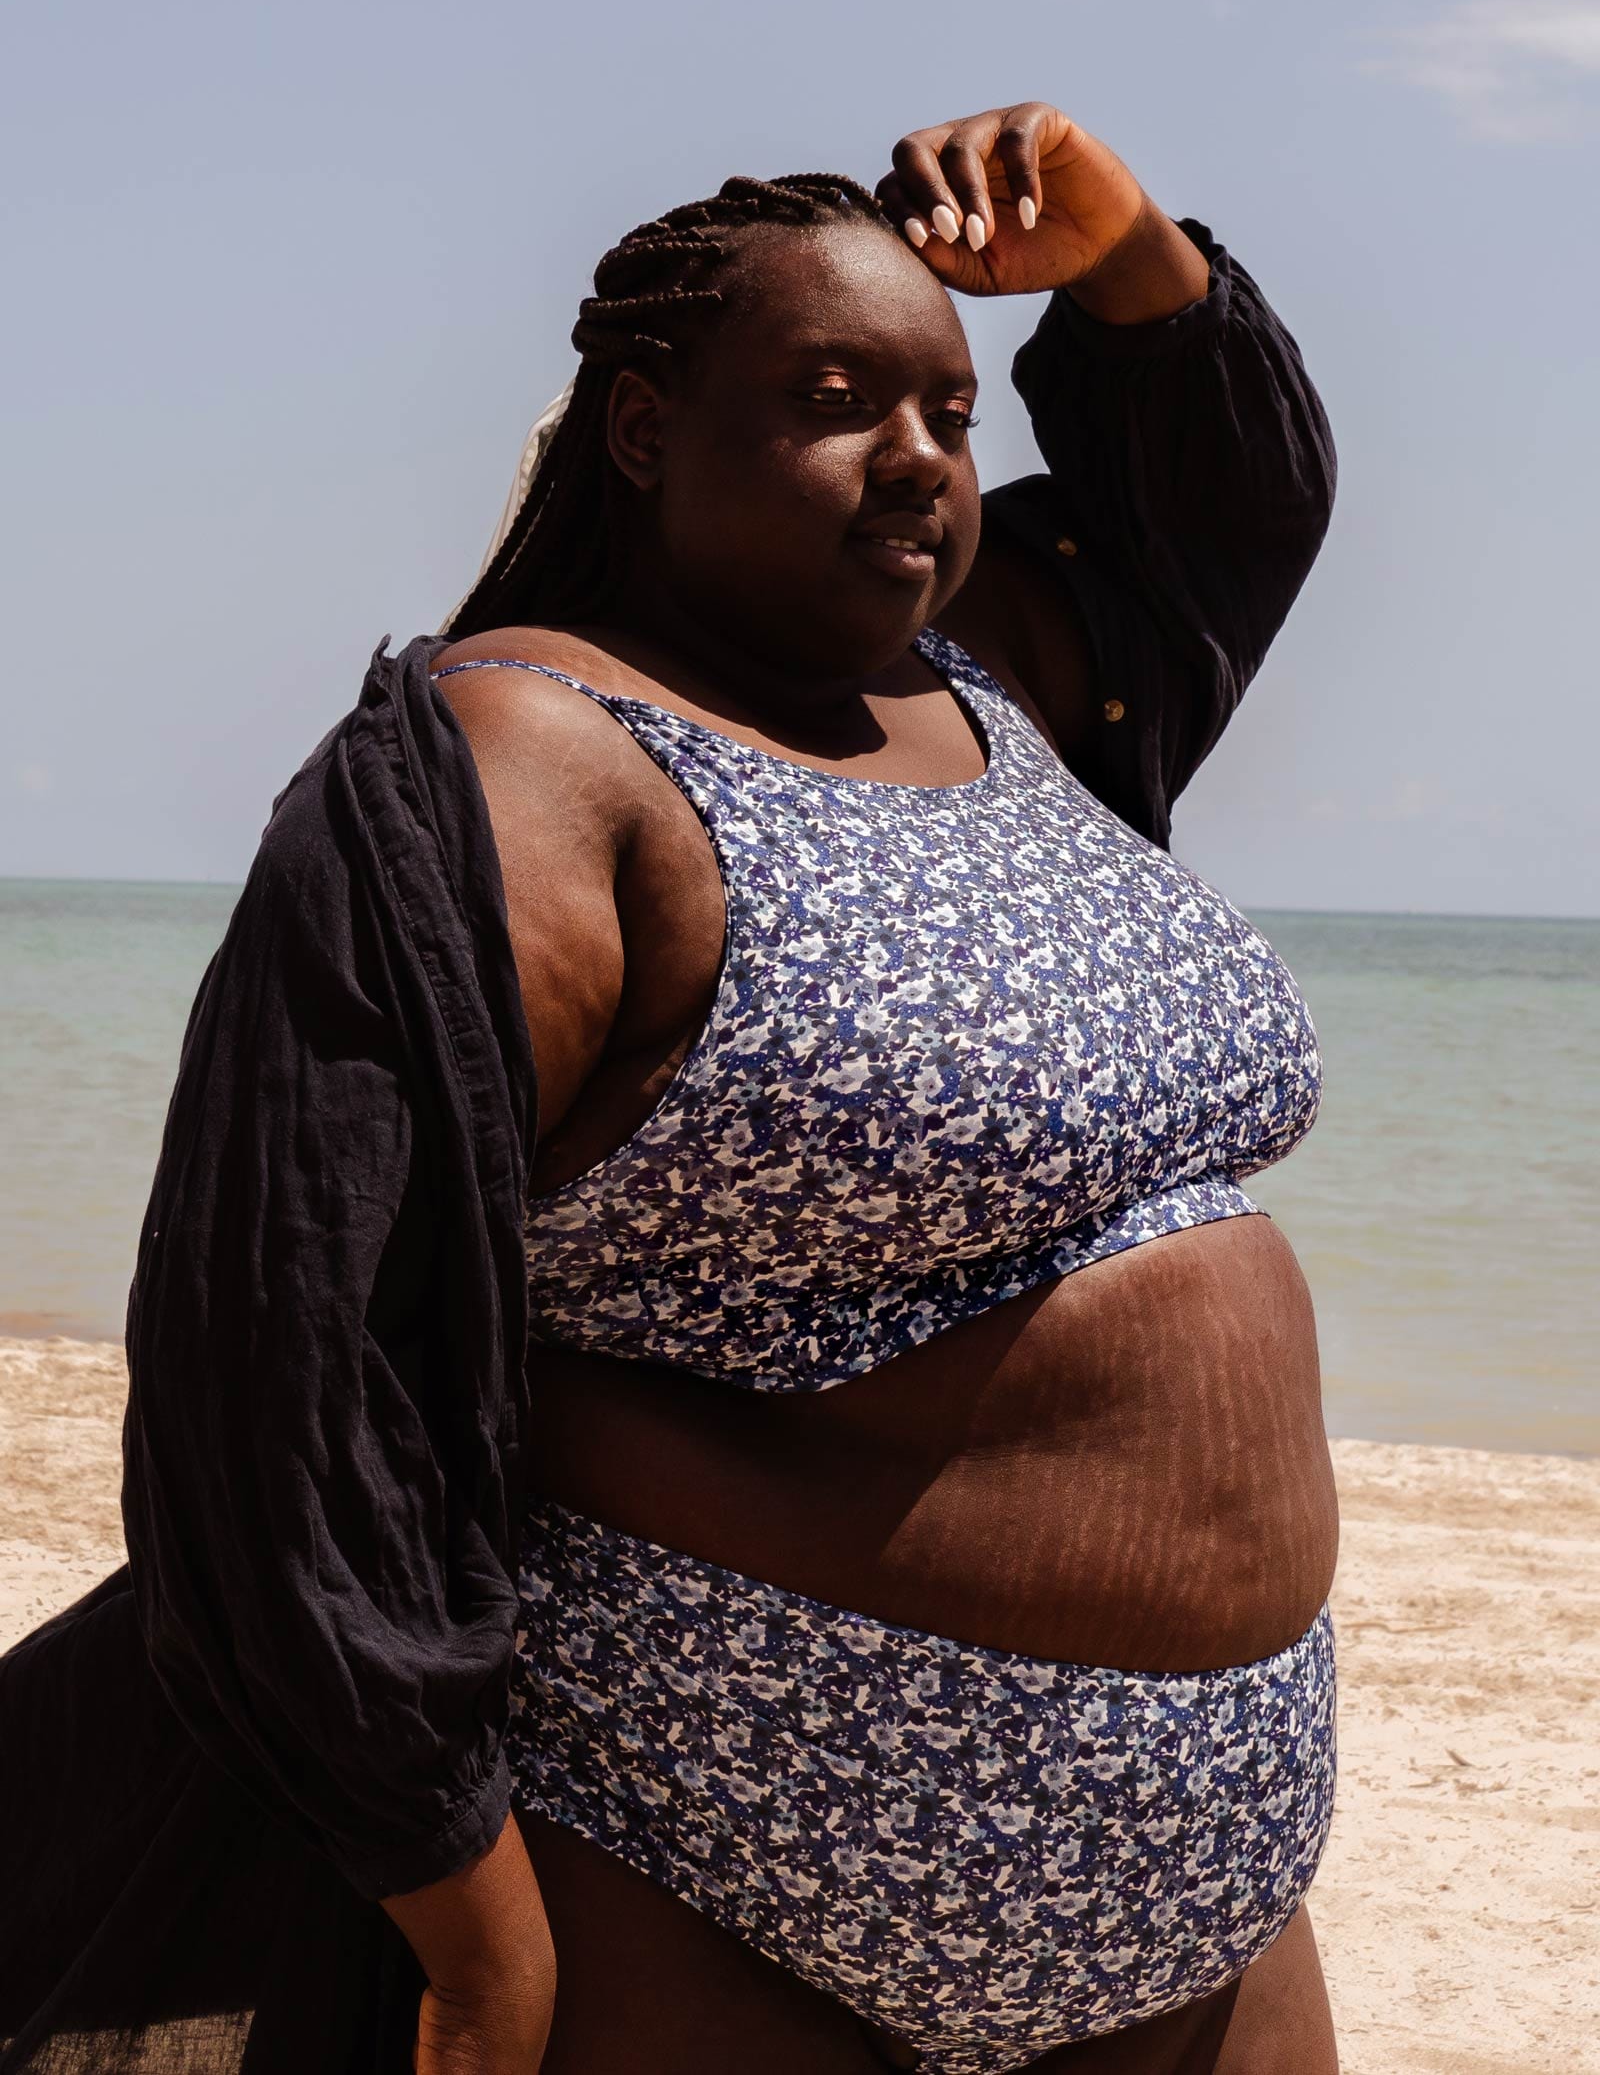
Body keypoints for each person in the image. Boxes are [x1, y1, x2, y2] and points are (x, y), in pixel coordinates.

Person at [0, 102, 1339, 2075]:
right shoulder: (525, 766)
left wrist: (1122, 249)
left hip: (1194, 1893)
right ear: (640, 429)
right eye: (834, 398)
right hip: (716, 1860)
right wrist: (468, 1935)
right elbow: (291, 1373)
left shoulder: (991, 677)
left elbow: (1218, 509)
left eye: (953, 417)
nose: (917, 462)